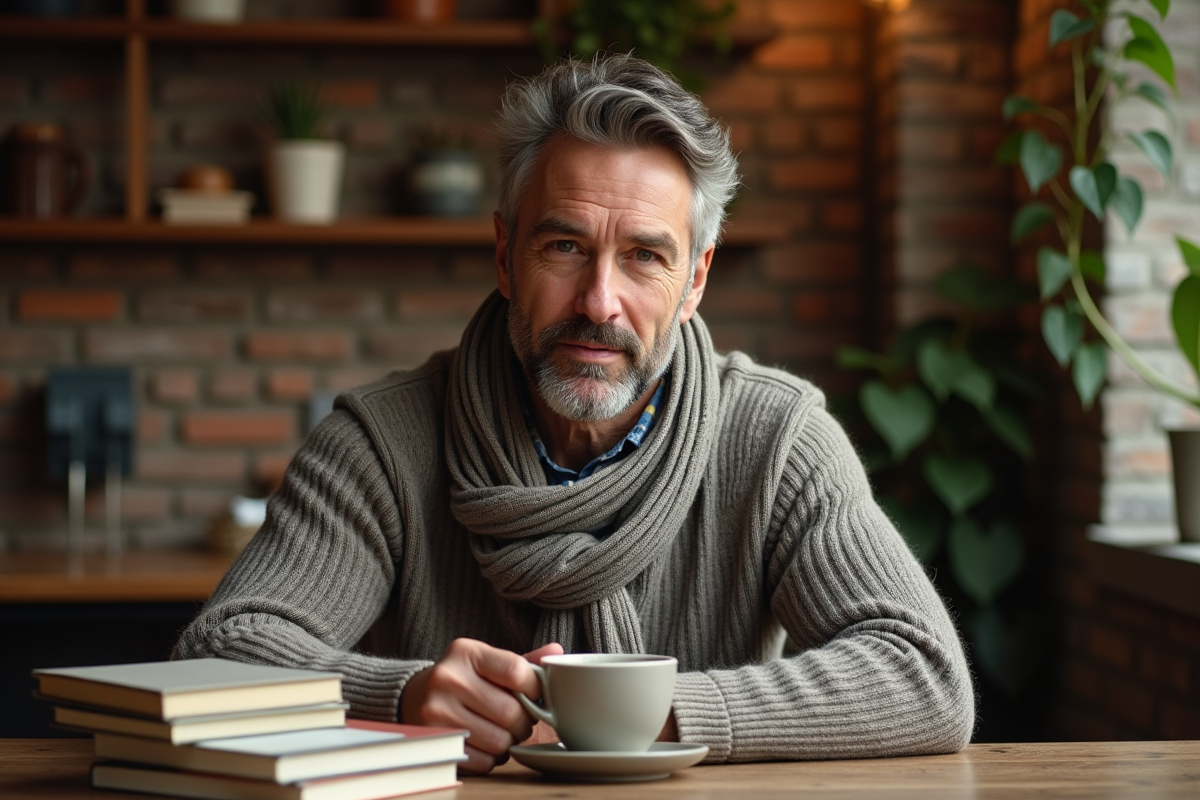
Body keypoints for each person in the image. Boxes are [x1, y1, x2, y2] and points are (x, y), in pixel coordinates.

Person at [175, 53, 974, 774]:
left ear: (695, 280)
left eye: (644, 257)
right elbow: (216, 655)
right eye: (563, 248)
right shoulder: (383, 443)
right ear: (504, 255)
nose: (599, 302)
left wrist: (662, 716)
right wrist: (401, 695)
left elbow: (923, 674)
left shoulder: (775, 439)